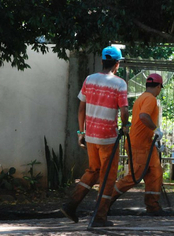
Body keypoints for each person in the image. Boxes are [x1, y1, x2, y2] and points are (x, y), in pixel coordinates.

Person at [60, 46, 129, 227]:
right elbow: (124, 110)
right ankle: (99, 217)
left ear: (102, 62)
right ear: (117, 64)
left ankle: (70, 206)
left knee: (93, 171)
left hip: (91, 136)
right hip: (108, 138)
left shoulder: (89, 79)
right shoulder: (120, 83)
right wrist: (125, 125)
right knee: (108, 177)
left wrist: (81, 133)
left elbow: (81, 108)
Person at [109, 73, 168, 216]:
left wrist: (155, 139)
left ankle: (153, 207)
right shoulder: (150, 99)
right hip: (139, 145)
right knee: (133, 177)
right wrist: (155, 130)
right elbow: (143, 116)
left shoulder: (142, 97)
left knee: (155, 173)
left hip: (146, 144)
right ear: (159, 86)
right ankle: (104, 201)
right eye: (160, 88)